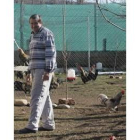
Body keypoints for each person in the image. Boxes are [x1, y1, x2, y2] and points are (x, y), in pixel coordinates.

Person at [19, 14, 57, 134]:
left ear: (40, 22)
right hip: (35, 69)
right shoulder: (33, 35)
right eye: (31, 23)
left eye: (35, 23)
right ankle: (48, 124)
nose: (33, 25)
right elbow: (33, 56)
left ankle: (32, 125)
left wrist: (48, 71)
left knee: (36, 97)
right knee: (44, 97)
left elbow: (51, 54)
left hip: (43, 70)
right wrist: (29, 72)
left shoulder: (46, 33)